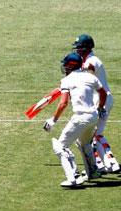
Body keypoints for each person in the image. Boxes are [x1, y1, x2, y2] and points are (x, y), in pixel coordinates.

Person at [43, 53, 107, 188]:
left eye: (66, 65)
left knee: (60, 146)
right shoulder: (90, 77)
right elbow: (103, 93)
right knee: (84, 144)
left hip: (80, 117)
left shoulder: (66, 80)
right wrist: (100, 107)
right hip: (93, 116)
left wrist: (53, 120)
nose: (64, 67)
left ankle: (73, 177)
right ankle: (93, 172)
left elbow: (63, 103)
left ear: (71, 66)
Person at [72, 34, 120, 173]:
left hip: (100, 100)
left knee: (91, 135)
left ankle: (102, 163)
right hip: (103, 99)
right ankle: (109, 163)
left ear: (87, 48)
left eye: (79, 48)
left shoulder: (90, 62)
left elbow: (87, 78)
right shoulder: (91, 60)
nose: (77, 51)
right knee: (96, 134)